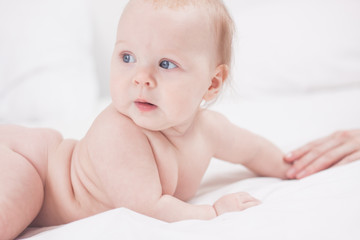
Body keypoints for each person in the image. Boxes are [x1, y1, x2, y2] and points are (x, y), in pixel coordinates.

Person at [0, 0, 356, 239]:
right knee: (20, 199)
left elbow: (254, 152)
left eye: (166, 64)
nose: (141, 77)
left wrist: (293, 165)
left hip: (33, 157)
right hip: (32, 164)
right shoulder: (118, 132)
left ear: (212, 83)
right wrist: (212, 213)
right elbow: (148, 207)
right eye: (127, 57)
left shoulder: (209, 130)